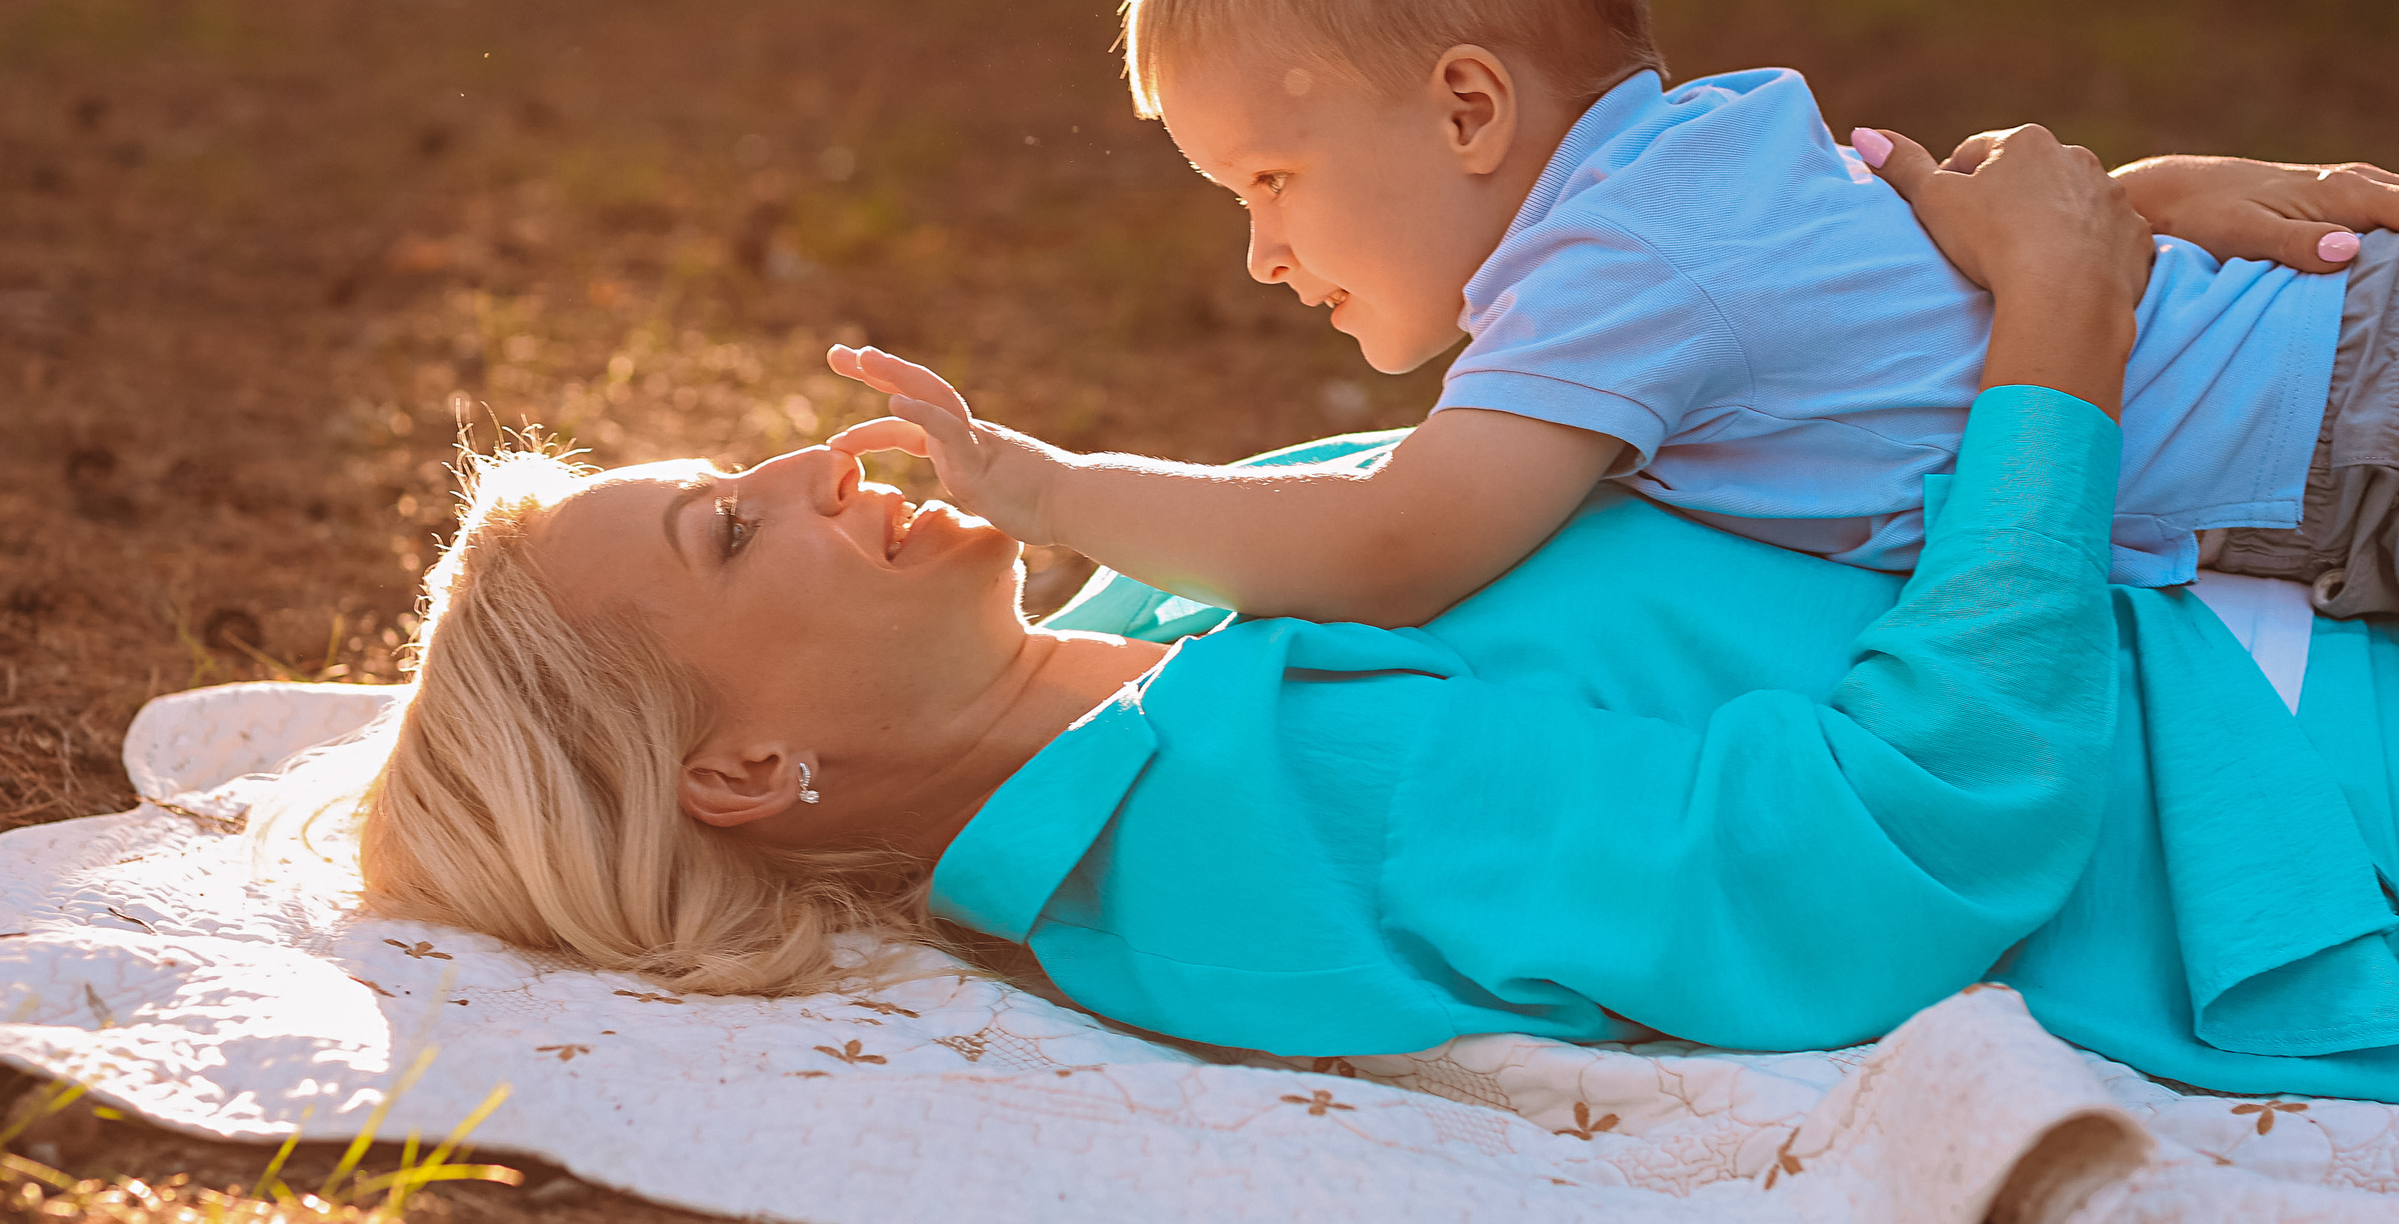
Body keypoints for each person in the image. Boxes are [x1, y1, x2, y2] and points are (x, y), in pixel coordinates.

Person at [307, 145, 2399, 1104]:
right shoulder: (1248, 812)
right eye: (731, 536)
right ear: (747, 775)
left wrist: (2115, 254)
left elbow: (1728, 443)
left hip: (2241, 525)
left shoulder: (1169, 598)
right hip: (2289, 763)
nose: (810, 461)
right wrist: (2056, 337)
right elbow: (1908, 833)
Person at [825, 0, 2399, 630]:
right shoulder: (1693, 169)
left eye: (1273, 179)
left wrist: (1043, 493)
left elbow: (1396, 546)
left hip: (2344, 427)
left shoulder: (1620, 260)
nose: (1261, 252)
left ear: (1467, 106)